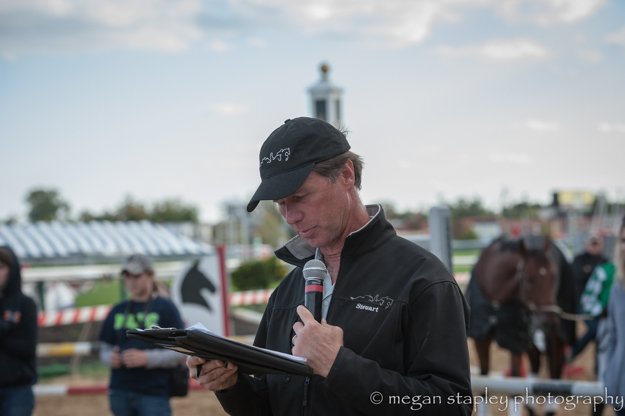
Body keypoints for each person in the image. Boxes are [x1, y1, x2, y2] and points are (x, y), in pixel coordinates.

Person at [188, 117, 472, 415]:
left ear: (346, 174)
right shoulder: (286, 292)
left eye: (300, 197)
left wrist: (339, 366)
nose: (290, 216)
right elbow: (270, 405)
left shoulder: (422, 279)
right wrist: (230, 385)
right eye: (281, 203)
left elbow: (453, 405)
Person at [99, 253, 185, 416]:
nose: (131, 281)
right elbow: (104, 349)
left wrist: (147, 359)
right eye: (127, 276)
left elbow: (180, 351)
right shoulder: (117, 309)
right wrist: (110, 358)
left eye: (137, 275)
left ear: (151, 275)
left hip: (153, 392)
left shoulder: (166, 307)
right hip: (119, 390)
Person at [0, 246, 38, 416]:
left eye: (1, 267)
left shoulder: (25, 304)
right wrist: (7, 330)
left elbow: (27, 347)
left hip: (17, 389)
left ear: (12, 270)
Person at [599, 220, 625, 416]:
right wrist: (610, 377)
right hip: (620, 393)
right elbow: (613, 337)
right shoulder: (618, 288)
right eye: (623, 240)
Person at [571, 234, 608, 358]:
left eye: (597, 243)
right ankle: (573, 353)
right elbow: (577, 276)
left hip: (603, 306)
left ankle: (598, 367)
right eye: (592, 243)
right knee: (595, 330)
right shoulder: (579, 260)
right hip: (583, 303)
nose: (595, 246)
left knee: (602, 334)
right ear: (586, 244)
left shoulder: (606, 262)